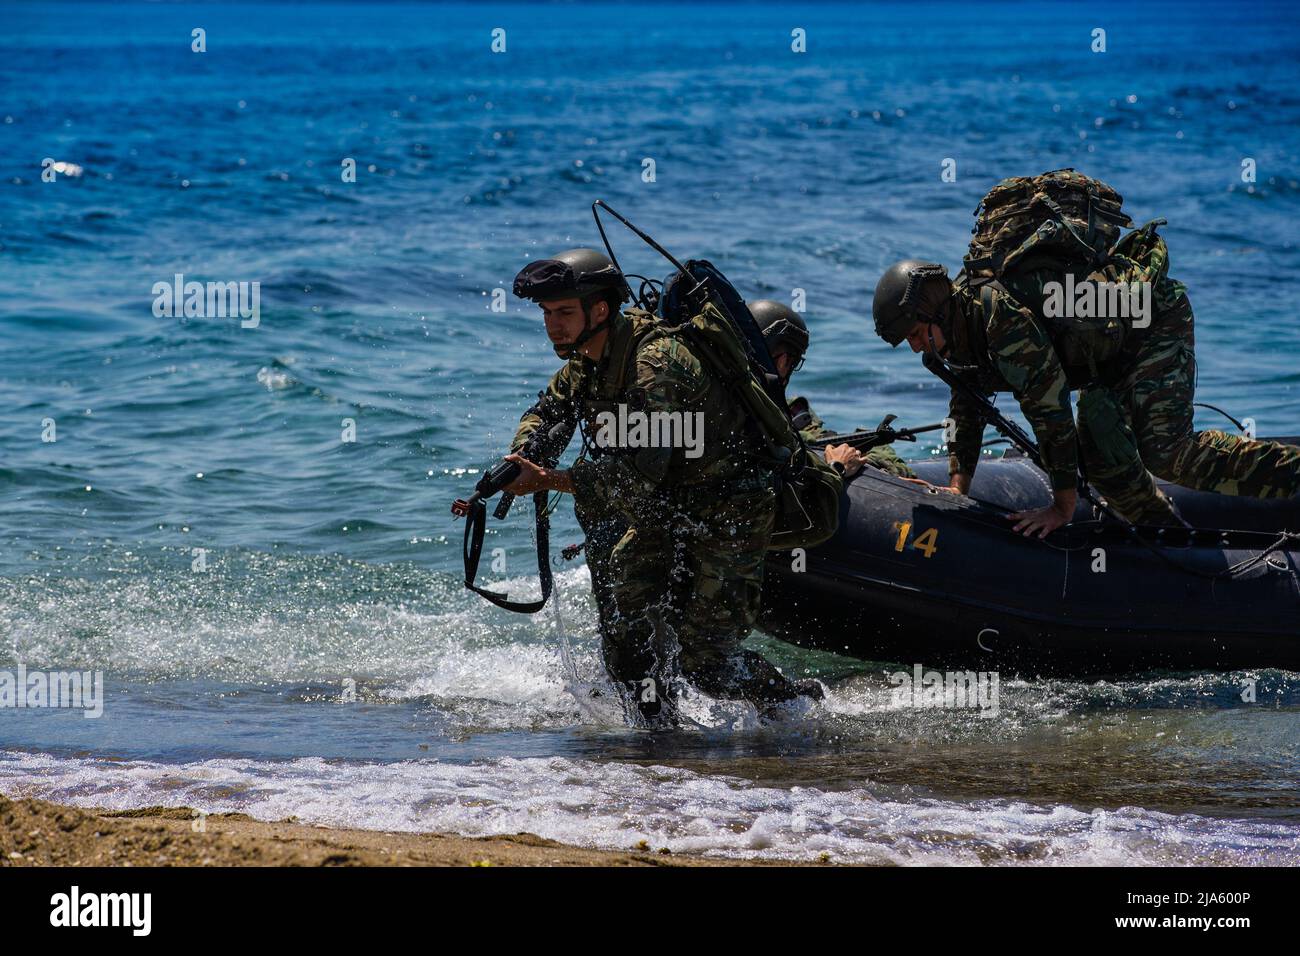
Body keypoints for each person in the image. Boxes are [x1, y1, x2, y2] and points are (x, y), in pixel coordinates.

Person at [503, 248, 821, 726]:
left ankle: (793, 707)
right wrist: (522, 458)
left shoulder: (657, 365)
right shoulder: (588, 358)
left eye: (564, 313)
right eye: (547, 314)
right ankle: (660, 745)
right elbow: (548, 411)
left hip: (727, 507)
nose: (553, 325)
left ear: (601, 309)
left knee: (708, 665)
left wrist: (547, 480)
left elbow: (636, 477)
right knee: (625, 637)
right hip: (664, 504)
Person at [871, 230, 1300, 536]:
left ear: (934, 314)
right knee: (1102, 456)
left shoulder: (1000, 321)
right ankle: (1171, 535)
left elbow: (1051, 411)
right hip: (1102, 355)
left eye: (914, 336)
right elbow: (967, 405)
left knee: (1166, 454)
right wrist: (957, 488)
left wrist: (1061, 508)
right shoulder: (959, 332)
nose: (915, 349)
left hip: (1151, 322)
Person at [750, 299, 918, 482]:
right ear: (782, 360)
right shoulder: (752, 421)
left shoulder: (753, 407)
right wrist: (837, 468)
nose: (788, 369)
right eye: (791, 361)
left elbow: (814, 439)